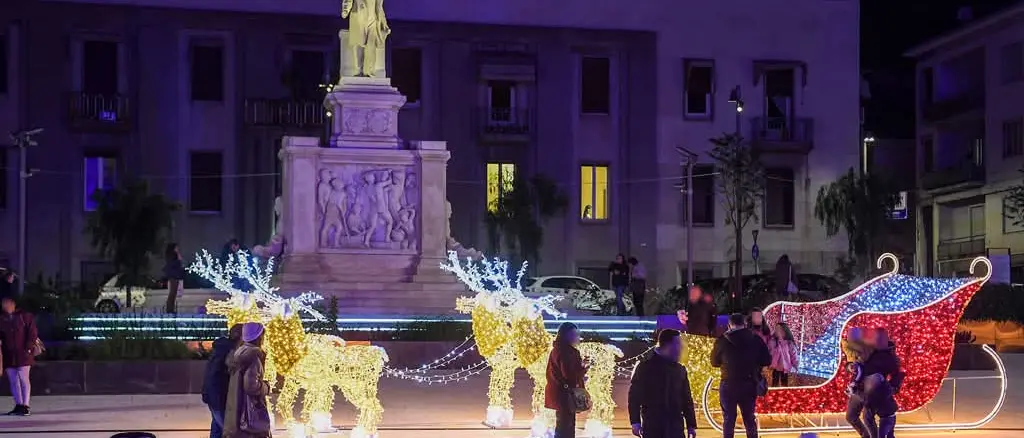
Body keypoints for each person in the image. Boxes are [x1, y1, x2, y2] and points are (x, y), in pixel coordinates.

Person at [628, 329, 697, 438]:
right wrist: (635, 422)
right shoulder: (645, 368)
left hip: (675, 426)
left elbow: (686, 398)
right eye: (678, 344)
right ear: (668, 345)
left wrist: (691, 425)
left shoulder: (679, 370)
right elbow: (634, 397)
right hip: (653, 426)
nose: (681, 348)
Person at [711, 313, 772, 438]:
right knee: (749, 419)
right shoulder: (755, 339)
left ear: (729, 325)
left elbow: (714, 362)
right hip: (749, 384)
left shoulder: (722, 341)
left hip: (728, 384)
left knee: (728, 419)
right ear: (745, 324)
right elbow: (766, 360)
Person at [846, 328, 903, 438]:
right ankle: (866, 435)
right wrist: (850, 367)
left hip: (873, 393)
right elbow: (853, 362)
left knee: (869, 420)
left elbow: (897, 376)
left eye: (880, 339)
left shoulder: (891, 358)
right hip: (858, 389)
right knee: (851, 417)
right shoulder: (867, 350)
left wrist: (890, 389)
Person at [224, 322, 272, 438]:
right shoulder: (253, 357)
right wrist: (265, 387)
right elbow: (251, 386)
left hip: (238, 409)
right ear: (258, 337)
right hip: (250, 411)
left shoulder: (239, 353)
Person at [544, 322, 587, 438]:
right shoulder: (568, 352)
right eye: (574, 334)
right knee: (566, 427)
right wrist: (584, 369)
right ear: (566, 335)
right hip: (566, 396)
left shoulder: (556, 350)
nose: (577, 337)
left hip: (559, 394)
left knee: (563, 425)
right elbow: (569, 375)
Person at [203, 324, 243, 438]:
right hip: (218, 396)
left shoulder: (222, 348)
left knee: (217, 428)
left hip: (211, 395)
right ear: (239, 337)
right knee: (228, 430)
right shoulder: (229, 351)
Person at [0, 296, 38, 416]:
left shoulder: (25, 316)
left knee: (23, 378)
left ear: (13, 304)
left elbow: (32, 333)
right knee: (13, 380)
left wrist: (28, 349)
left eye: (7, 303)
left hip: (23, 353)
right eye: (3, 304)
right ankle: (19, 404)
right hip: (9, 354)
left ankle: (25, 405)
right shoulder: (2, 318)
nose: (5, 306)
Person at [863, 373, 897, 438]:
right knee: (890, 434)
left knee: (881, 436)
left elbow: (869, 402)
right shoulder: (886, 388)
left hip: (886, 418)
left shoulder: (879, 392)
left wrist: (854, 393)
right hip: (891, 416)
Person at [768, 322, 798, 386]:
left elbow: (793, 355)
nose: (777, 331)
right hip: (775, 367)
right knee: (775, 383)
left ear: (784, 331)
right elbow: (770, 353)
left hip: (785, 368)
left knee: (784, 384)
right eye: (776, 329)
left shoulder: (789, 343)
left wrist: (795, 365)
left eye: (779, 329)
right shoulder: (772, 341)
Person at [164, 243, 186, 314]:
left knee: (173, 293)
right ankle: (170, 309)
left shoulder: (172, 255)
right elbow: (174, 265)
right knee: (172, 293)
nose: (177, 248)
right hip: (174, 276)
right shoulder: (173, 255)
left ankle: (170, 309)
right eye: (176, 247)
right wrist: (179, 260)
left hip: (174, 276)